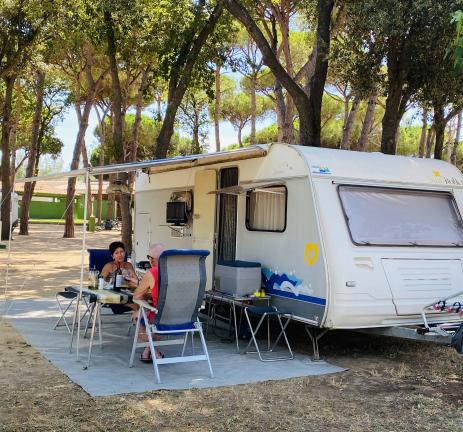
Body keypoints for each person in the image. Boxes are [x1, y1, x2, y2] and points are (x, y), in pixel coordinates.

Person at [133, 243, 166, 362]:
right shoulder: (179, 272)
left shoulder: (153, 272)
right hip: (184, 317)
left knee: (137, 316)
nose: (150, 260)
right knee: (150, 313)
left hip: (160, 317)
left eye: (152, 257)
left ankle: (153, 350)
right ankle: (149, 350)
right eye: (149, 257)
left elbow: (136, 296)